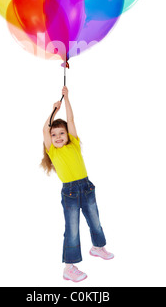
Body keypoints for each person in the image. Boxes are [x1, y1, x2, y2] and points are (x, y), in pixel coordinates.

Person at [41, 86, 114, 282]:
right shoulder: (53, 152)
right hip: (70, 192)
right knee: (72, 228)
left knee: (95, 220)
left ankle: (98, 247)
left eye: (61, 133)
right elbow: (44, 130)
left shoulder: (73, 142)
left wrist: (66, 99)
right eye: (54, 134)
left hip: (87, 187)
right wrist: (54, 110)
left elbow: (71, 120)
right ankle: (69, 267)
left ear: (67, 134)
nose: (57, 137)